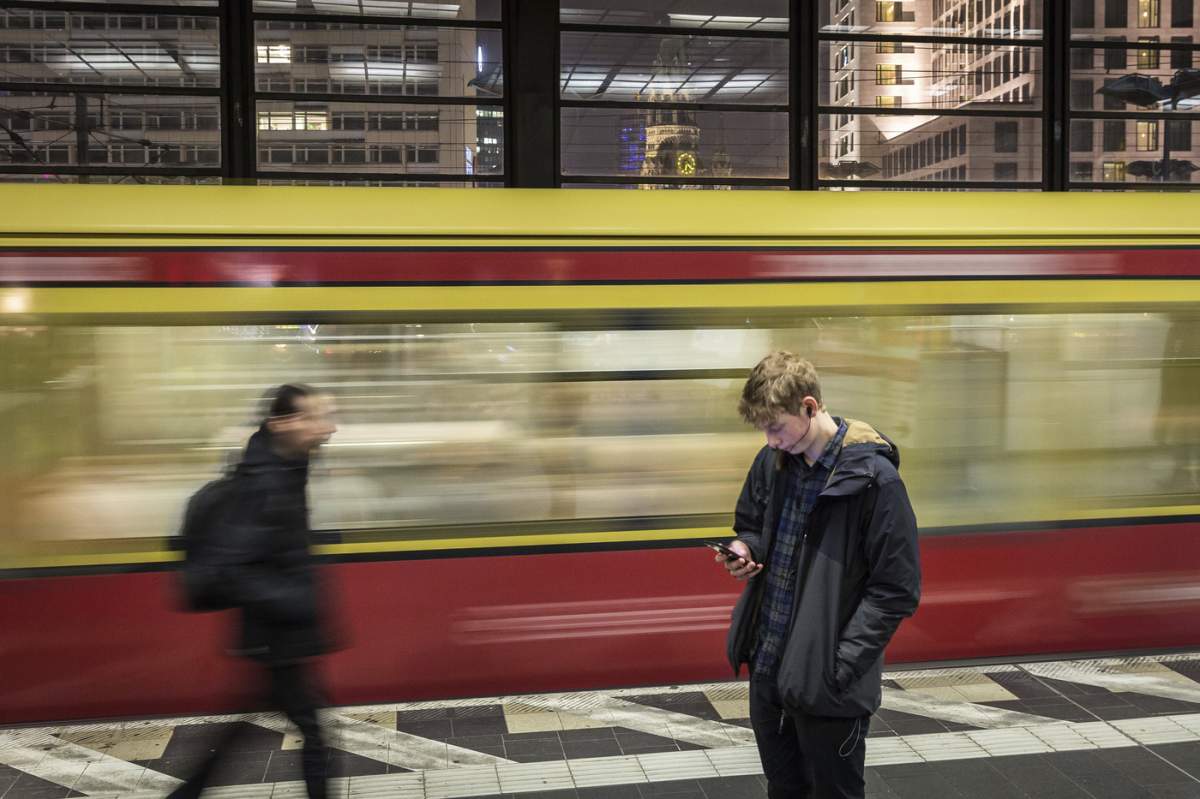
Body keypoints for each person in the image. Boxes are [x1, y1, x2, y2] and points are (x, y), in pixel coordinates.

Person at [718, 352, 920, 799]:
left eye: (776, 427)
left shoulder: (874, 482)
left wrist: (840, 665)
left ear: (810, 407)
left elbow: (897, 589)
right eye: (763, 430)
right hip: (768, 666)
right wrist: (745, 548)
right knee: (785, 789)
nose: (770, 440)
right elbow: (751, 524)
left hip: (827, 682)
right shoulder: (772, 464)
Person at [171, 383, 338, 799]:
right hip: (275, 636)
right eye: (315, 417)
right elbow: (230, 567)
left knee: (253, 725)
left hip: (276, 636)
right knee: (314, 731)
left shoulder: (285, 468)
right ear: (280, 423)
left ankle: (188, 792)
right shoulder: (264, 485)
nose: (329, 427)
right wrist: (294, 599)